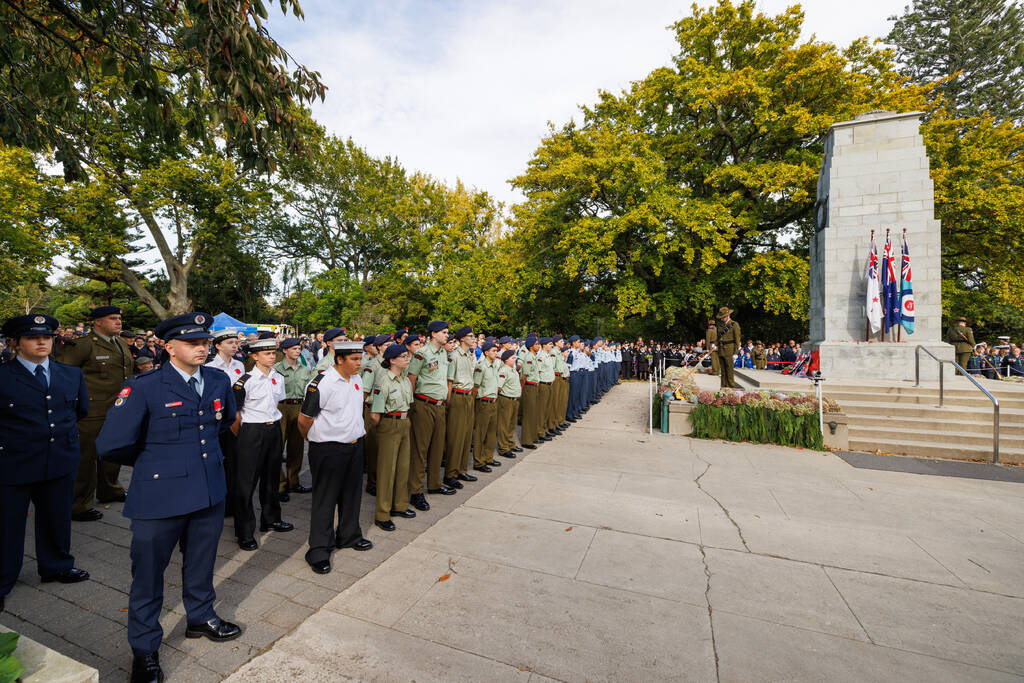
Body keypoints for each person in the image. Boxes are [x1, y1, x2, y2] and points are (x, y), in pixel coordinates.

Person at [96, 313, 241, 683]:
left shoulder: (218, 380)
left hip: (208, 490)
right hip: (160, 496)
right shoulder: (144, 386)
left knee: (202, 562)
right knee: (147, 576)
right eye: (193, 343)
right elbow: (111, 445)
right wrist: (157, 461)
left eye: (206, 342)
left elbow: (222, 424)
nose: (202, 348)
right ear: (169, 346)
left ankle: (200, 616)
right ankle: (144, 648)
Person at [0, 314, 91, 615]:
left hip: (59, 459)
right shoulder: (3, 376)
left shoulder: (70, 374)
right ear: (15, 343)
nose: (41, 342)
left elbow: (79, 411)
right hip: (14, 462)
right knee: (8, 525)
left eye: (47, 337)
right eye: (31, 337)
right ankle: (3, 579)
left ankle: (56, 566)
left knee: (56, 517)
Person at [298, 340, 373, 575]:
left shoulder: (357, 379)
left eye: (360, 358)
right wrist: (314, 440)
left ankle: (349, 535)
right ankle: (319, 549)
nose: (359, 363)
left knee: (352, 494)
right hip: (329, 448)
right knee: (325, 498)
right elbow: (304, 420)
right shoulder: (322, 383)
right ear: (339, 359)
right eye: (354, 359)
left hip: (354, 445)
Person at [55, 305, 134, 522]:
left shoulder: (120, 344)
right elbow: (63, 374)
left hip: (117, 409)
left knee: (113, 454)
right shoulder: (82, 344)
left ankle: (110, 490)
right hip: (91, 411)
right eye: (113, 318)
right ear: (97, 322)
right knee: (85, 458)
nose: (118, 322)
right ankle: (78, 504)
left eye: (119, 318)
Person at [231, 334, 294, 550]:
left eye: (273, 353)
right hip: (252, 431)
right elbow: (234, 416)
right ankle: (244, 531)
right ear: (255, 356)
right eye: (266, 353)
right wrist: (246, 436)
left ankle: (271, 519)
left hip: (273, 429)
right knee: (246, 483)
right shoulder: (244, 382)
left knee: (271, 478)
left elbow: (277, 403)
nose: (271, 357)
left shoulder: (278, 377)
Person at [407, 321, 456, 510]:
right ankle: (416, 491)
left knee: (437, 447)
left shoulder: (445, 353)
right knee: (420, 449)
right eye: (444, 332)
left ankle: (434, 484)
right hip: (424, 403)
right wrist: (412, 406)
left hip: (439, 405)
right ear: (433, 334)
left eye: (447, 332)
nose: (447, 335)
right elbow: (412, 378)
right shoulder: (422, 354)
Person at [368, 343, 417, 532]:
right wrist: (384, 429)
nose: (407, 359)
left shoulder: (404, 380)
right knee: (387, 471)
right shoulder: (384, 382)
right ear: (392, 360)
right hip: (389, 423)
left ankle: (400, 505)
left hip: (405, 422)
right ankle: (382, 514)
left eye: (407, 356)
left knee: (403, 467)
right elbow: (375, 415)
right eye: (403, 356)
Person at [275, 338, 314, 500]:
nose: (297, 351)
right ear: (284, 350)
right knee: (277, 447)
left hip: (299, 406)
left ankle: (293, 481)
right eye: (293, 349)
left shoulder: (304, 369)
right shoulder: (276, 369)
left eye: (299, 348)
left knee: (296, 447)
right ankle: (280, 485)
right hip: (281, 407)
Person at [471, 341, 501, 472]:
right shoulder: (481, 366)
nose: (496, 353)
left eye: (496, 351)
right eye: (493, 351)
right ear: (486, 352)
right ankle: (478, 461)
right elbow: (475, 387)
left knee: (491, 432)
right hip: (483, 402)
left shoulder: (494, 365)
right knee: (481, 433)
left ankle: (488, 457)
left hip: (493, 401)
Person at [359, 336, 382, 497]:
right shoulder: (371, 365)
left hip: (383, 410)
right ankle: (372, 482)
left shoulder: (387, 364)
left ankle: (379, 479)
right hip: (371, 407)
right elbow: (364, 391)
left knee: (380, 447)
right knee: (372, 447)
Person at [519, 335, 542, 448]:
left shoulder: (534, 357)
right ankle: (527, 440)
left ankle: (533, 437)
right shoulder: (528, 358)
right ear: (531, 346)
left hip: (535, 386)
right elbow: (524, 376)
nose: (538, 346)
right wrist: (522, 390)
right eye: (536, 344)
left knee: (534, 412)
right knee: (528, 414)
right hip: (529, 386)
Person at [715, 307, 741, 389]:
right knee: (723, 371)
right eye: (722, 317)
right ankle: (723, 387)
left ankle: (730, 388)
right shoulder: (720, 324)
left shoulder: (734, 325)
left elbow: (737, 340)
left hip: (730, 350)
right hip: (721, 349)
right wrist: (715, 344)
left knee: (729, 371)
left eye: (724, 316)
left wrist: (736, 353)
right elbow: (718, 336)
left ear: (728, 315)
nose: (722, 318)